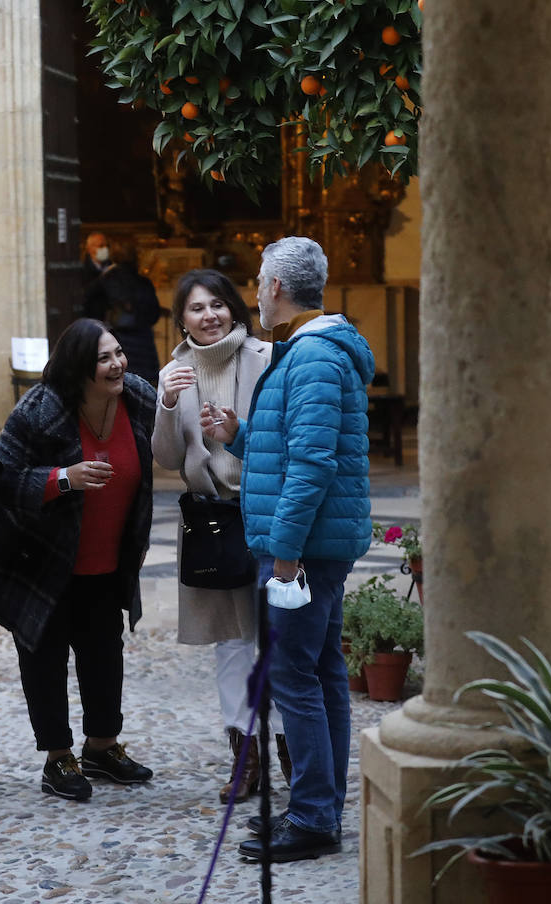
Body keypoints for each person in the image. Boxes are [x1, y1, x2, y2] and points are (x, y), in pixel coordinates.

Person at [202, 236, 374, 863]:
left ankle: (310, 816)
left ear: (276, 287)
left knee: (294, 676)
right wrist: (239, 437)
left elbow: (312, 465)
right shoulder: (308, 352)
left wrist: (284, 552)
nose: (252, 290)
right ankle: (319, 807)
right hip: (315, 542)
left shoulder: (313, 357)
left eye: (257, 280)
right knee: (321, 670)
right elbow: (290, 449)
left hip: (306, 548)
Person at [0, 318, 157, 802]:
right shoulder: (41, 409)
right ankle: (58, 757)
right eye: (104, 358)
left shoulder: (135, 396)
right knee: (44, 657)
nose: (117, 364)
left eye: (118, 352)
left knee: (104, 652)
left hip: (107, 557)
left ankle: (102, 746)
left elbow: (169, 441)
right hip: (43, 558)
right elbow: (4, 481)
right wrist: (63, 478)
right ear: (78, 367)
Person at [151, 270, 273, 804]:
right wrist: (167, 405)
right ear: (181, 319)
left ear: (235, 309)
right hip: (212, 520)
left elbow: (281, 440)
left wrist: (235, 433)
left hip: (266, 513)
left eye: (218, 305)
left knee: (279, 639)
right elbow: (167, 458)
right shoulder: (175, 371)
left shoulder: (265, 358)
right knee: (230, 643)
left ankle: (291, 751)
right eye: (197, 309)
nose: (209, 316)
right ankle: (245, 755)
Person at [83, 242, 163, 386]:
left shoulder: (106, 279)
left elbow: (87, 302)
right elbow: (155, 314)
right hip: (145, 343)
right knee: (147, 386)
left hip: (119, 340)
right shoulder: (144, 282)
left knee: (123, 384)